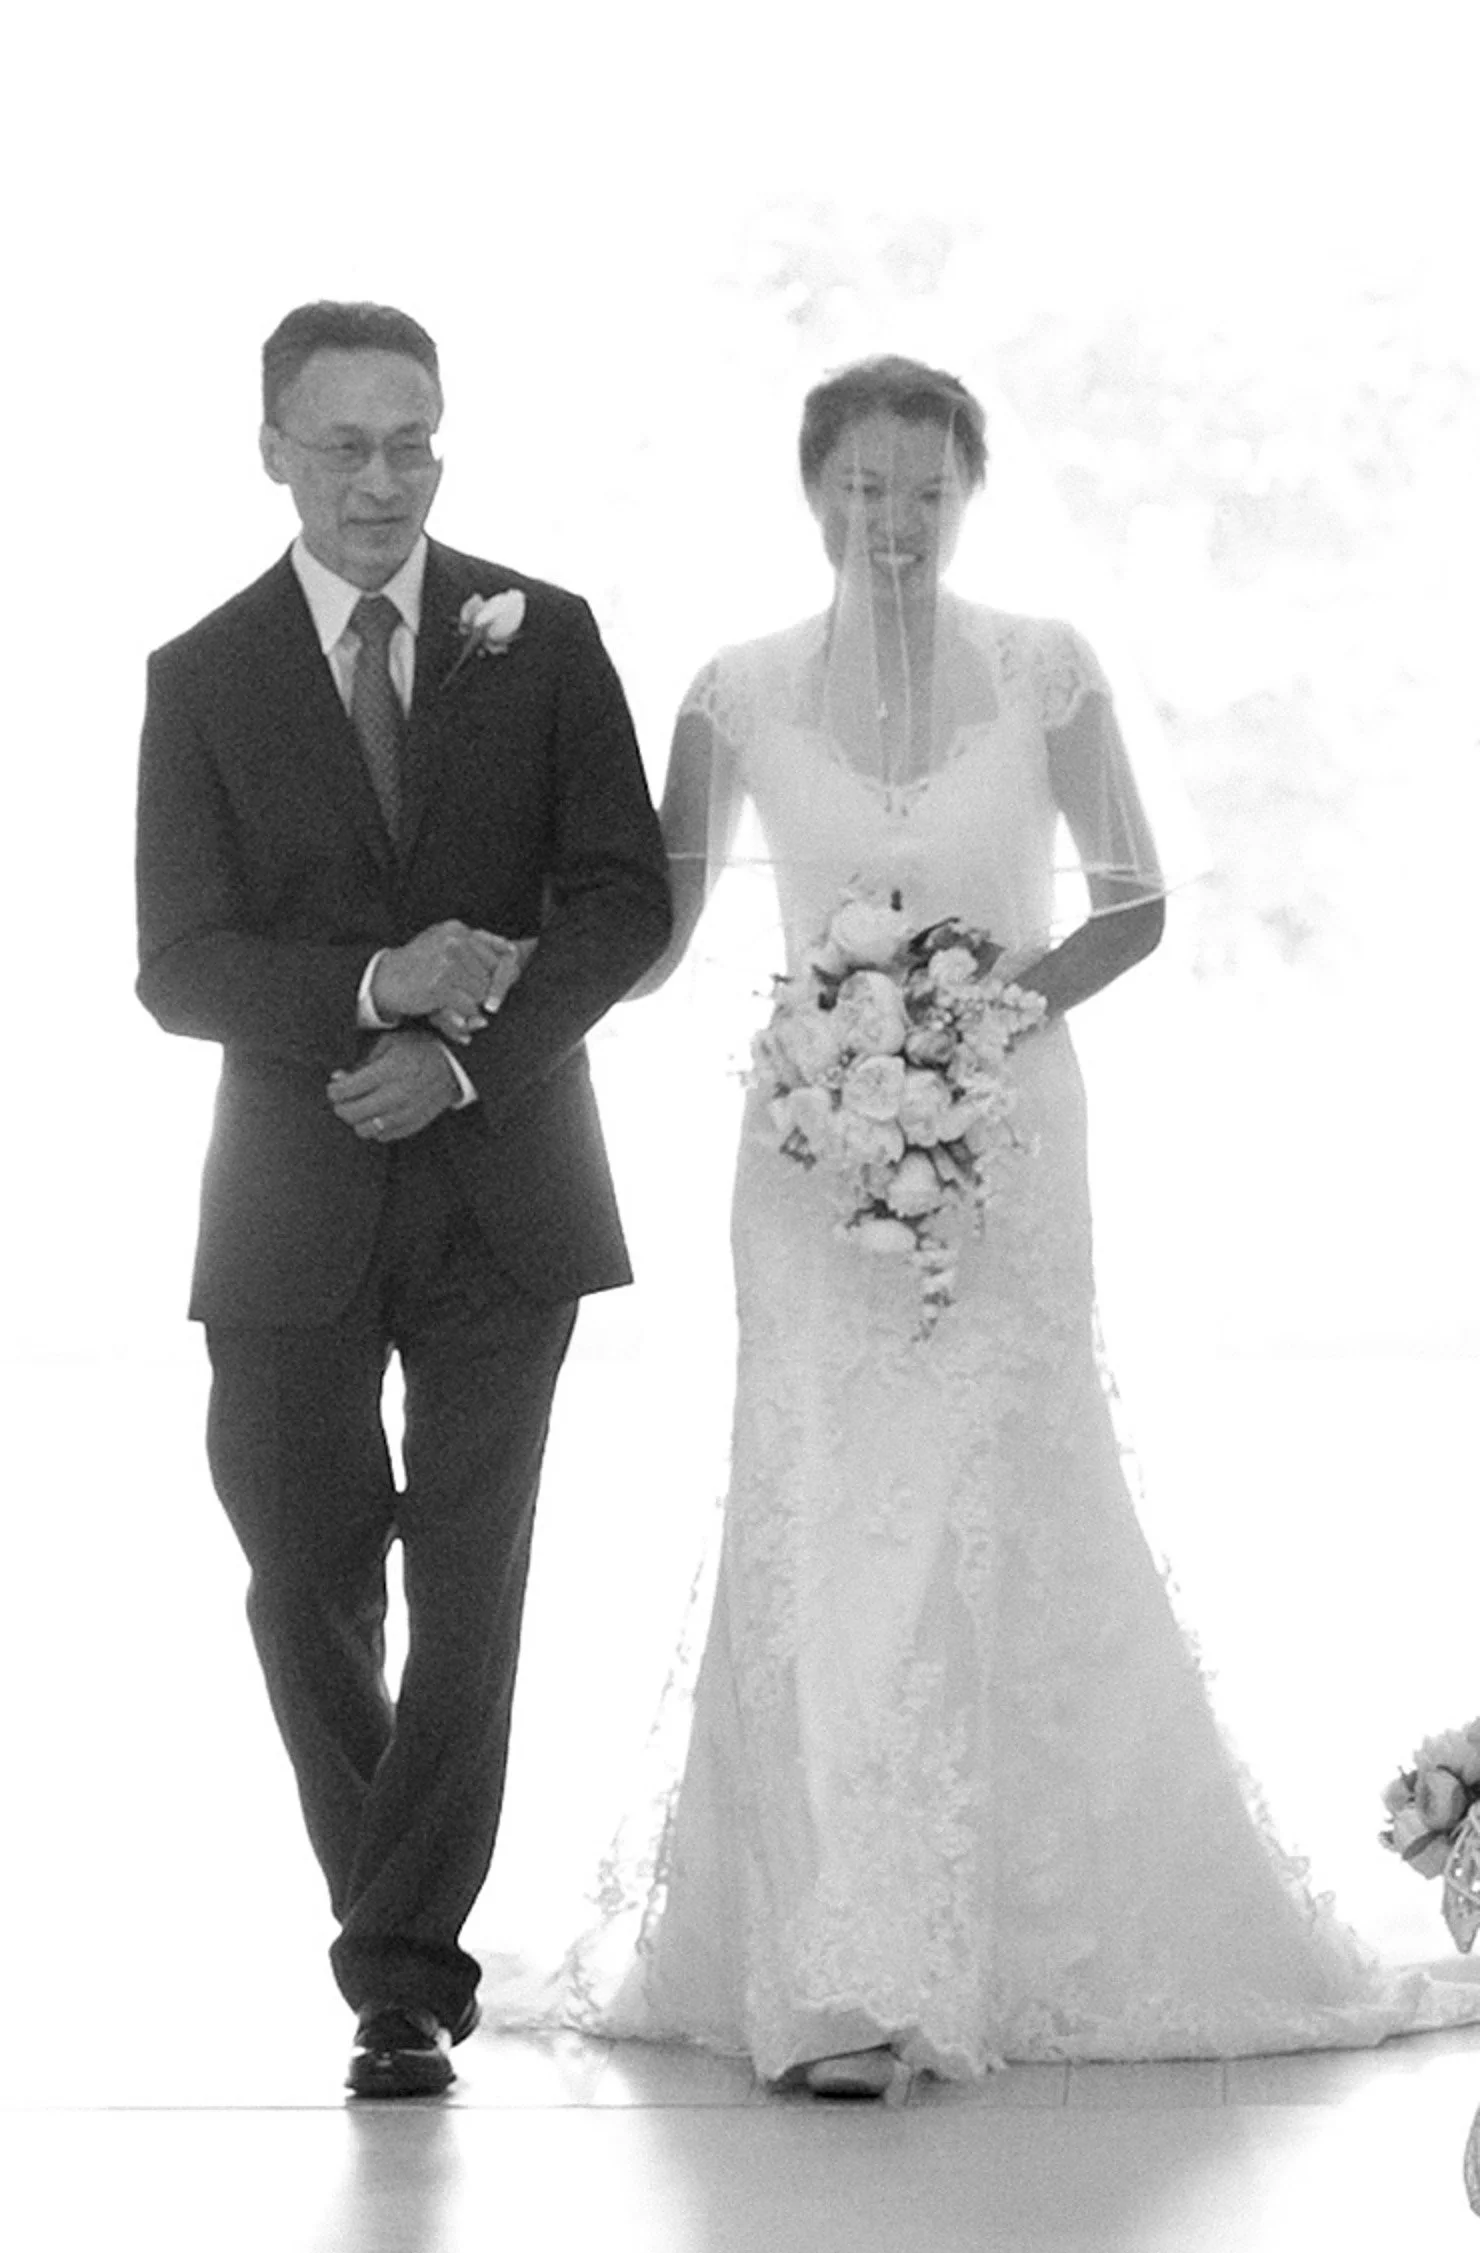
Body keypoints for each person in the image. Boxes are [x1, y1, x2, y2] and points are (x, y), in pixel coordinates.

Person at [514, 353, 1480, 2100]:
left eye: (926, 490)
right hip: (808, 1152)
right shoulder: (731, 695)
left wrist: (976, 1020)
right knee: (826, 1511)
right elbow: (648, 934)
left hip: (1010, 1134)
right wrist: (513, 1005)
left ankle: (1020, 1925)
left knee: (1009, 1489)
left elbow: (1136, 901)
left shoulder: (1046, 672)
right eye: (862, 489)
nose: (893, 522)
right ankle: (832, 1957)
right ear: (813, 492)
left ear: (971, 494)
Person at [135, 301, 670, 2098]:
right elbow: (180, 964)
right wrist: (373, 990)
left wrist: (462, 1052)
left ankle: (400, 1979)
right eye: (346, 444)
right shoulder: (198, 676)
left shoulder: (548, 634)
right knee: (301, 1577)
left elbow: (622, 908)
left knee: (470, 1573)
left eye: (413, 441)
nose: (384, 479)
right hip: (288, 1196)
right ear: (271, 447)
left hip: (506, 1180)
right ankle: (399, 1913)